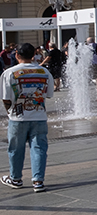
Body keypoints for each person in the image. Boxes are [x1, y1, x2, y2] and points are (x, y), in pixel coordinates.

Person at [1, 42, 53, 191]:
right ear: (34, 55)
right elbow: (49, 94)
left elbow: (5, 99)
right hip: (39, 116)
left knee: (16, 149)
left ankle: (16, 179)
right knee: (39, 148)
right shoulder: (44, 72)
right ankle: (38, 181)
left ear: (17, 55)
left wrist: (10, 112)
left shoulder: (9, 73)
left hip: (18, 118)